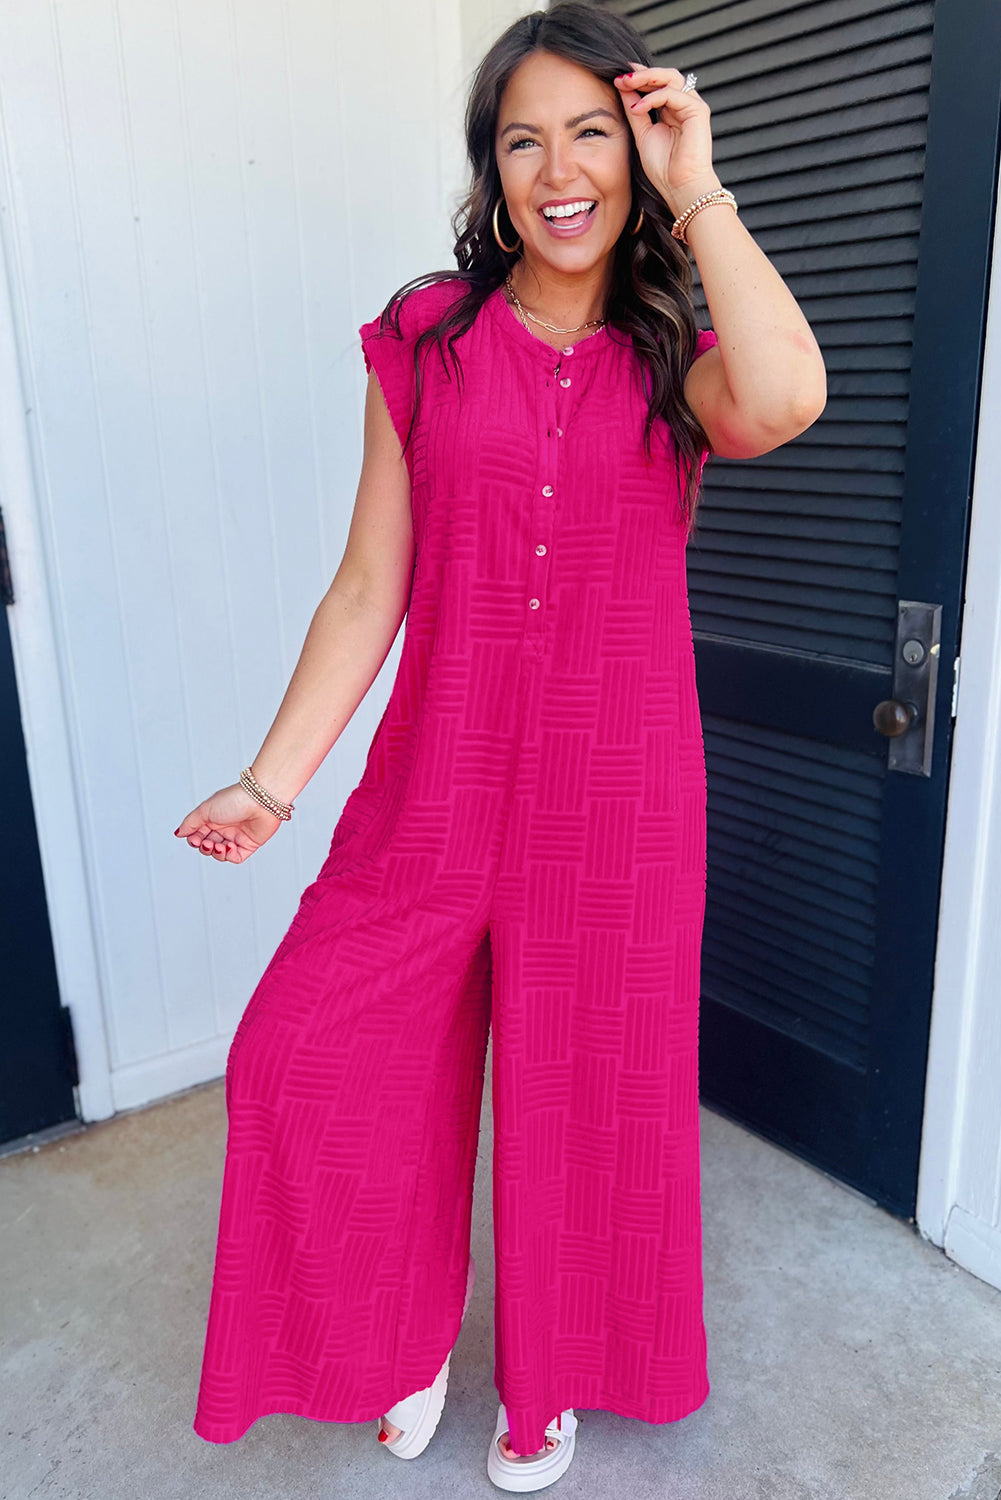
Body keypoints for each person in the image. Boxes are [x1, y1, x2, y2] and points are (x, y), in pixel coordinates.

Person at [177, 2, 826, 1490]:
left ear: (636, 154)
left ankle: (552, 1386)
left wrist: (699, 186)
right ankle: (394, 1343)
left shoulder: (676, 358)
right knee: (307, 1056)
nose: (559, 169)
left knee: (588, 1101)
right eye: (523, 139)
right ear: (491, 168)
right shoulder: (428, 341)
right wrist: (273, 782)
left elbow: (789, 396)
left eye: (592, 133)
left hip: (617, 800)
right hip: (437, 782)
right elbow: (369, 583)